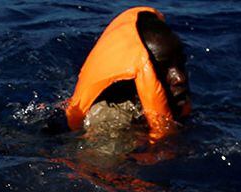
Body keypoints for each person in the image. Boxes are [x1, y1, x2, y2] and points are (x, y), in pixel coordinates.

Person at [65, 7, 191, 139]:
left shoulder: (170, 101)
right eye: (163, 68)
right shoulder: (111, 123)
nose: (180, 78)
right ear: (130, 79)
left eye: (181, 62)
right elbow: (92, 159)